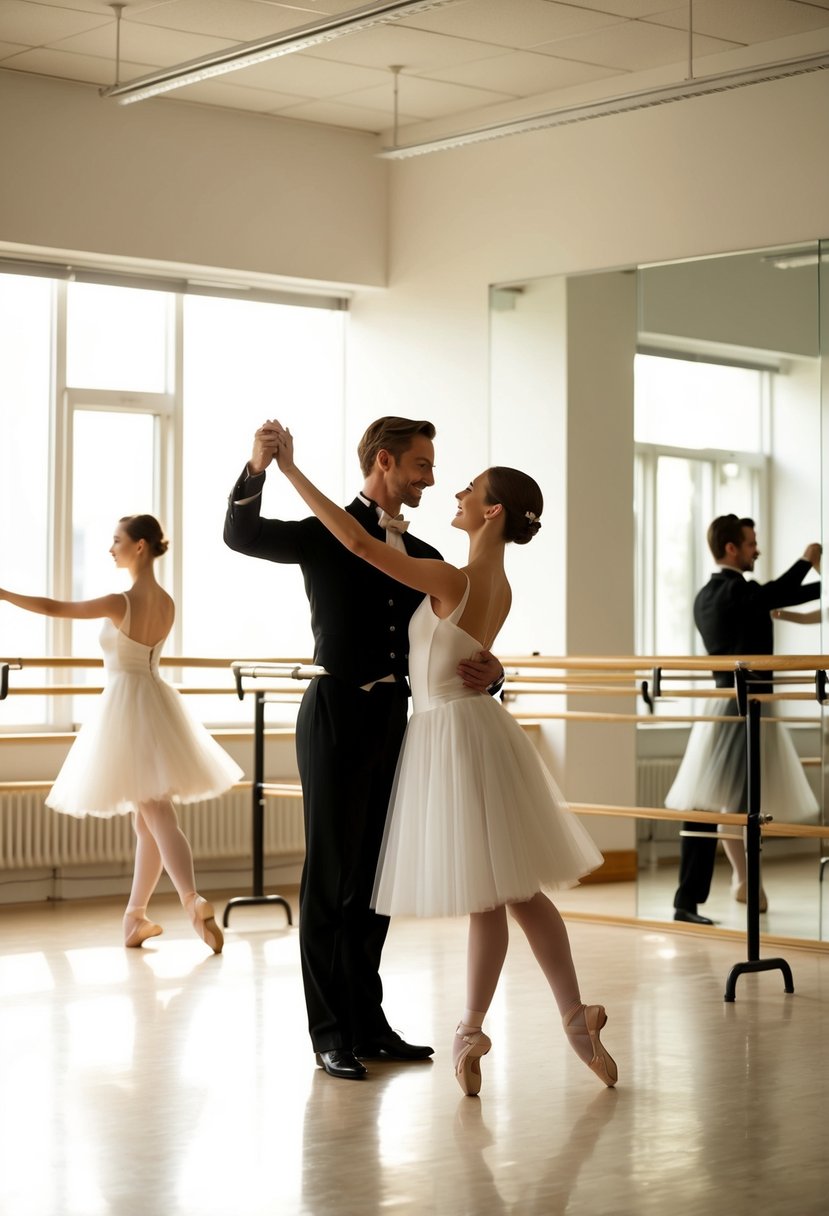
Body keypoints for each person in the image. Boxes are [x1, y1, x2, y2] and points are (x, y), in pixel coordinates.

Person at [269, 421, 616, 1096]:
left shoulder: (449, 576)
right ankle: (520, 1024)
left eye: (468, 489)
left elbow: (356, 541)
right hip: (475, 730)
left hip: (449, 737)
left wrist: (289, 471)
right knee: (504, 890)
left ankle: (506, 1025)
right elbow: (470, 655)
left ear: (489, 512)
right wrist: (494, 669)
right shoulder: (500, 584)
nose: (451, 490)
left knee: (499, 891)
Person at [224, 417, 504, 1082]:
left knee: (373, 882)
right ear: (385, 461)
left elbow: (457, 642)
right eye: (421, 465)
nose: (430, 478)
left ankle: (367, 1023)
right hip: (333, 712)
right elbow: (239, 534)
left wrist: (494, 675)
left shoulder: (424, 550)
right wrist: (259, 467)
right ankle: (328, 1034)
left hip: (394, 719)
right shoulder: (324, 530)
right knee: (329, 879)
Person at [0, 514, 242, 953]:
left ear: (141, 547)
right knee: (145, 821)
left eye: (117, 541)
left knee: (156, 812)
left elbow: (57, 609)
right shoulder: (167, 602)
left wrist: (3, 593)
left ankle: (191, 899)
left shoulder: (121, 601)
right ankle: (135, 917)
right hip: (155, 698)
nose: (111, 548)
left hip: (127, 706)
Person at [666, 515, 821, 924]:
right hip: (743, 706)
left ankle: (709, 893)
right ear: (732, 548)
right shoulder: (739, 592)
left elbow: (782, 595)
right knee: (731, 804)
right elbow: (782, 591)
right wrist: (807, 558)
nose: (758, 550)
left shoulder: (707, 595)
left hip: (723, 703)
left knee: (715, 803)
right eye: (752, 543)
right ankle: (727, 888)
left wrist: (812, 578)